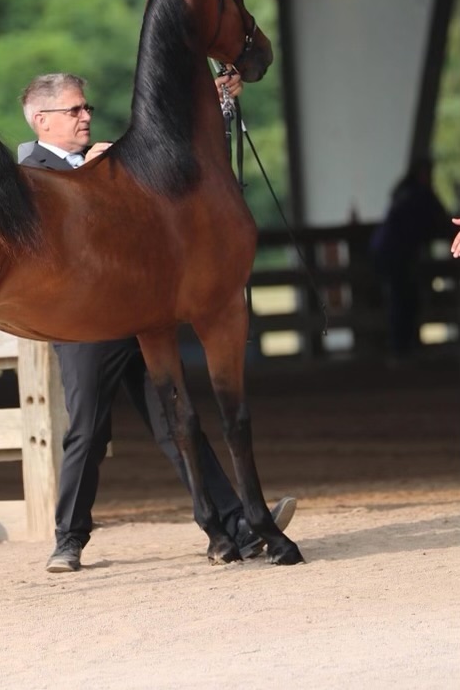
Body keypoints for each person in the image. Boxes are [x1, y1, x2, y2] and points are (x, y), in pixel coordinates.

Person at [18, 71, 297, 573]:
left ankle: (230, 525)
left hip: (140, 315)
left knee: (178, 421)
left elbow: (161, 141)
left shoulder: (106, 161)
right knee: (87, 429)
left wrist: (207, 99)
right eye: (74, 110)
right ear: (42, 120)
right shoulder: (30, 174)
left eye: (86, 108)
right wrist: (87, 176)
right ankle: (69, 538)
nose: (86, 117)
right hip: (88, 323)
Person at [370, 157, 451, 359]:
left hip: (390, 253)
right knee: (404, 299)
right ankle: (402, 347)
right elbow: (439, 219)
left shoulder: (404, 193)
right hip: (398, 255)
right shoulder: (419, 194)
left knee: (404, 298)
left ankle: (403, 346)